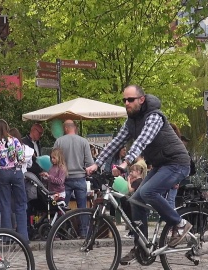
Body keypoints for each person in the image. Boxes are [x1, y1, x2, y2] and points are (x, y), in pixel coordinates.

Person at [86, 85, 191, 265]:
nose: (126, 103)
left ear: (141, 100)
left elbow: (143, 141)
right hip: (160, 164)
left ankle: (180, 224)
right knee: (136, 199)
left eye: (130, 100)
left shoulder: (154, 117)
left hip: (177, 162)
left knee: (148, 192)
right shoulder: (131, 122)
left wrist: (126, 162)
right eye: (124, 100)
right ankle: (141, 245)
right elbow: (116, 142)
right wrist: (97, 163)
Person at [0, 119, 28, 242]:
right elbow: (22, 158)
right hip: (16, 172)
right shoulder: (15, 140)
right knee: (21, 204)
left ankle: (7, 237)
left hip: (3, 173)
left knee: (5, 204)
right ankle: (23, 237)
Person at [53, 120, 94, 210]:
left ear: (65, 128)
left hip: (64, 179)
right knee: (82, 208)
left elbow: (53, 160)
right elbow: (90, 163)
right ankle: (84, 224)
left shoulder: (59, 142)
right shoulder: (84, 142)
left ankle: (63, 224)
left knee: (62, 208)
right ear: (75, 128)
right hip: (80, 178)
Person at [122, 164, 144, 238]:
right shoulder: (140, 180)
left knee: (132, 217)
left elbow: (131, 190)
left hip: (134, 202)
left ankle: (132, 233)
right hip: (138, 201)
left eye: (132, 171)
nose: (131, 173)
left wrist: (128, 181)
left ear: (138, 172)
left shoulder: (137, 181)